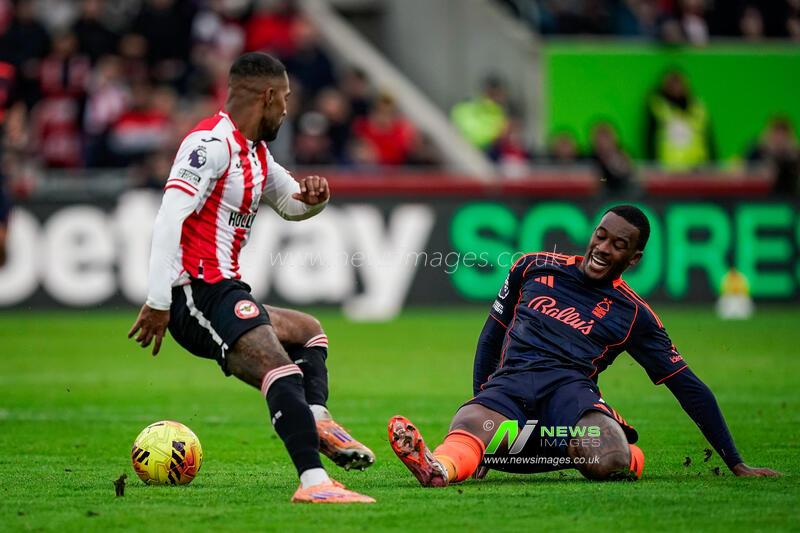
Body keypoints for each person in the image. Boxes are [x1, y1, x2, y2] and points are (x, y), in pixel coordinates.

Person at [128, 52, 375, 504]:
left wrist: (317, 198)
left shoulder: (257, 154)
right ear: (267, 96)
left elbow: (291, 203)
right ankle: (315, 484)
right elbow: (168, 219)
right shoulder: (210, 145)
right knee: (279, 368)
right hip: (195, 292)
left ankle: (317, 420)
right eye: (284, 99)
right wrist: (159, 300)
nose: (286, 109)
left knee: (308, 334)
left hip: (226, 290)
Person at [388, 205, 779, 486]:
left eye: (619, 245)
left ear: (634, 257)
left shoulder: (634, 315)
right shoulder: (532, 267)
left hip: (569, 397)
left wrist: (736, 462)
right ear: (593, 233)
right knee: (470, 424)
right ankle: (439, 469)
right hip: (510, 387)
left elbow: (688, 386)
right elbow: (491, 337)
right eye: (601, 235)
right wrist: (483, 398)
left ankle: (621, 451)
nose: (604, 248)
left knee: (607, 458)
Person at [644, 69, 715, 170]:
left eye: (679, 84)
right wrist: (653, 166)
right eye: (672, 85)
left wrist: (712, 165)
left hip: (699, 166)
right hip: (668, 169)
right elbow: (649, 138)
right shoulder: (657, 106)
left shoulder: (698, 107)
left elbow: (708, 138)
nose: (676, 88)